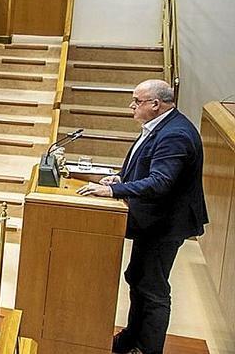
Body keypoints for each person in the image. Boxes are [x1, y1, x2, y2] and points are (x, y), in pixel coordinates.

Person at [76, 80, 207, 354]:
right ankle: (131, 338)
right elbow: (147, 167)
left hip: (165, 225)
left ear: (155, 104)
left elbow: (160, 182)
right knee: (137, 277)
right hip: (152, 222)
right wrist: (122, 177)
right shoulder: (160, 127)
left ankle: (148, 349)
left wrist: (114, 190)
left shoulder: (175, 135)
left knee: (153, 290)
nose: (131, 106)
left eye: (137, 101)